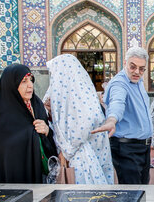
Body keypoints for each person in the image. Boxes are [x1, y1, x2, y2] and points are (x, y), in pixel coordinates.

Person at [0, 64, 56, 183]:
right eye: (24, 81)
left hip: (39, 177)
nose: (30, 85)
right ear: (11, 85)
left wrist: (47, 131)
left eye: (31, 80)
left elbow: (48, 143)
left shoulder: (37, 104)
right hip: (11, 181)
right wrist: (30, 134)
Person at [46, 55, 115, 184]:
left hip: (82, 161)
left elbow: (84, 127)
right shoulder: (79, 94)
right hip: (88, 155)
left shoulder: (79, 96)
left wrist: (67, 151)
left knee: (81, 199)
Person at [92, 47, 153, 184]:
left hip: (143, 147)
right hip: (127, 148)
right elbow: (117, 103)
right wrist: (112, 120)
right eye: (133, 67)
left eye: (142, 68)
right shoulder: (119, 83)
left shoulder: (138, 81)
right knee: (132, 195)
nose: (137, 72)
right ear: (125, 63)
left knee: (143, 190)